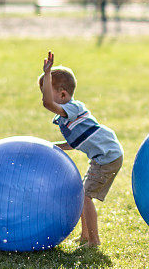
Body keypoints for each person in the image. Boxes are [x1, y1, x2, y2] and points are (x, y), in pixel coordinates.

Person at [38, 51, 123, 248]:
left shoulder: (73, 108)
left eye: (46, 90)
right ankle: (85, 236)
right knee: (82, 195)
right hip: (101, 156)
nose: (43, 97)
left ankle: (94, 240)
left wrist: (47, 72)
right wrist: (52, 147)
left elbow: (46, 103)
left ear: (62, 94)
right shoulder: (66, 117)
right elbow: (75, 143)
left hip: (108, 156)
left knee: (85, 197)